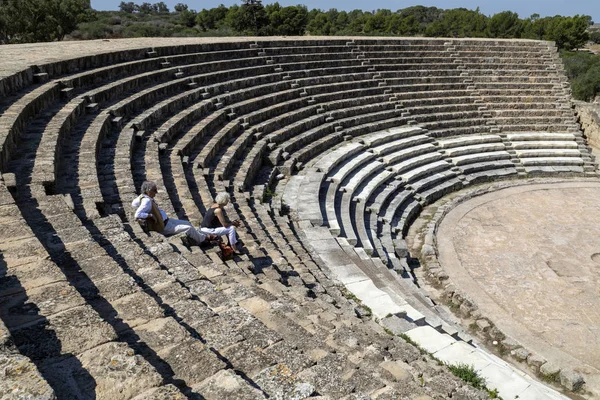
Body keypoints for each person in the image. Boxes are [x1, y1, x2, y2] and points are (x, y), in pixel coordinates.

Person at [132, 181, 213, 247]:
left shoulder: (142, 196)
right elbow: (137, 214)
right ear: (148, 191)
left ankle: (199, 238)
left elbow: (133, 204)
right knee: (188, 228)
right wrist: (149, 215)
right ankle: (204, 238)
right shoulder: (146, 201)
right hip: (163, 226)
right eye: (154, 190)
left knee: (187, 223)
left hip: (167, 221)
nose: (156, 192)